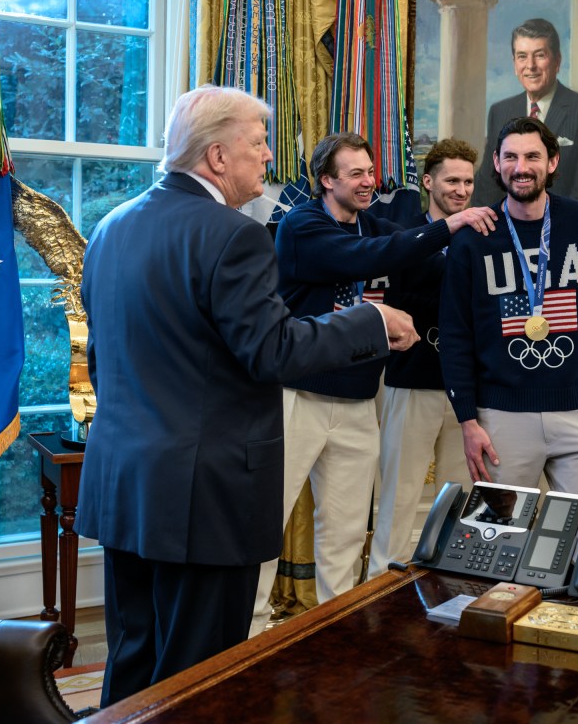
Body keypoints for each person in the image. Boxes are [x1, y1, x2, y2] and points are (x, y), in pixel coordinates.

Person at [77, 86, 418, 706]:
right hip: (204, 496)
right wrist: (370, 323)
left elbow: (104, 363)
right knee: (200, 682)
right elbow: (274, 352)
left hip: (126, 484)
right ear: (215, 157)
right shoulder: (233, 235)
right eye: (258, 144)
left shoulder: (111, 226)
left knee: (134, 663)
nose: (267, 159)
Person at [252, 132, 496, 632]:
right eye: (356, 174)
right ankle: (250, 632)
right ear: (326, 180)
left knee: (343, 531)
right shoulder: (303, 226)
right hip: (297, 397)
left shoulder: (376, 226)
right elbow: (367, 258)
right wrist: (451, 224)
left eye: (370, 171)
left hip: (360, 400)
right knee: (264, 525)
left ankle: (334, 634)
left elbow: (423, 265)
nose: (369, 182)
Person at [440, 117, 578, 508]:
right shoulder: (474, 237)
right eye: (510, 156)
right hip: (501, 416)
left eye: (532, 156)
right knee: (497, 544)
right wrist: (467, 419)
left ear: (552, 162)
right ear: (496, 163)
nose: (521, 167)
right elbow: (455, 332)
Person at [369, 139, 480, 576]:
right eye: (452, 180)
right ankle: (377, 591)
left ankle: (453, 587)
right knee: (398, 494)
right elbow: (401, 297)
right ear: (429, 182)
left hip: (466, 390)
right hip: (412, 377)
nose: (461, 190)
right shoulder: (404, 237)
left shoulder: (483, 235)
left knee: (461, 497)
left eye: (469, 181)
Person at [474, 18, 578, 207]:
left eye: (539, 55)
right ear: (515, 64)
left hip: (563, 228)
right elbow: (487, 185)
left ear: (557, 61)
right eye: (522, 56)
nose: (530, 65)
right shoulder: (500, 111)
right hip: (504, 229)